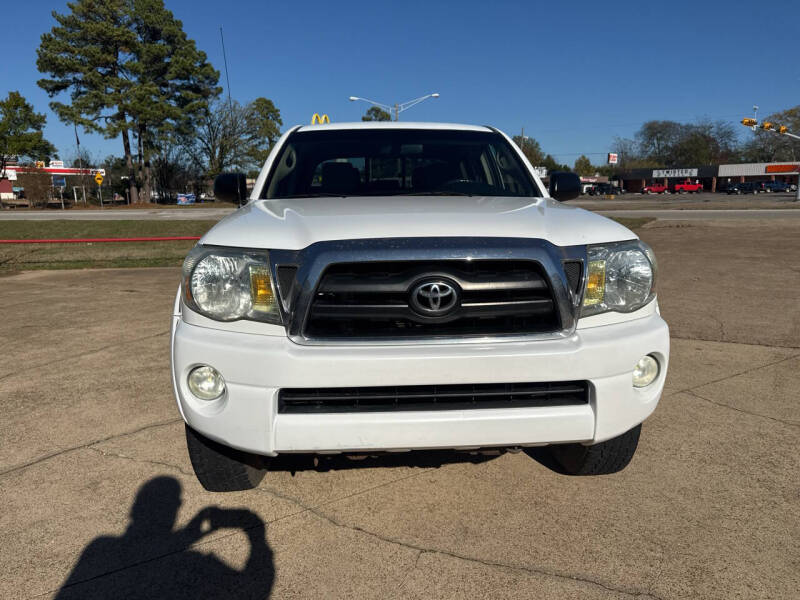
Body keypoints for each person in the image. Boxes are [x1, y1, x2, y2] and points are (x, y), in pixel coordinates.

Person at [55, 476, 274, 599]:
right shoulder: (195, 564)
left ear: (134, 509)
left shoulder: (99, 549)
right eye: (177, 501)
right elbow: (257, 588)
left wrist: (186, 538)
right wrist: (256, 534)